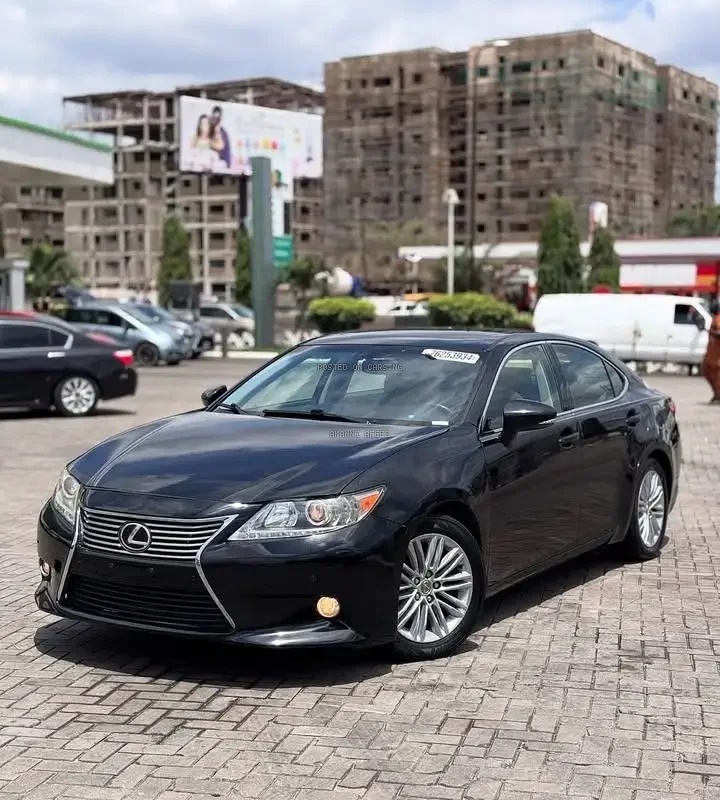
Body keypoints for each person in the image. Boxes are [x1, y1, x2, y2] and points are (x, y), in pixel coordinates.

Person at [701, 298, 720, 404]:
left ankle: (718, 396)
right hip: (710, 355)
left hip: (717, 357)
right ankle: (716, 395)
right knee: (705, 372)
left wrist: (710, 331)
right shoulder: (715, 319)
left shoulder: (718, 319)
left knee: (717, 378)